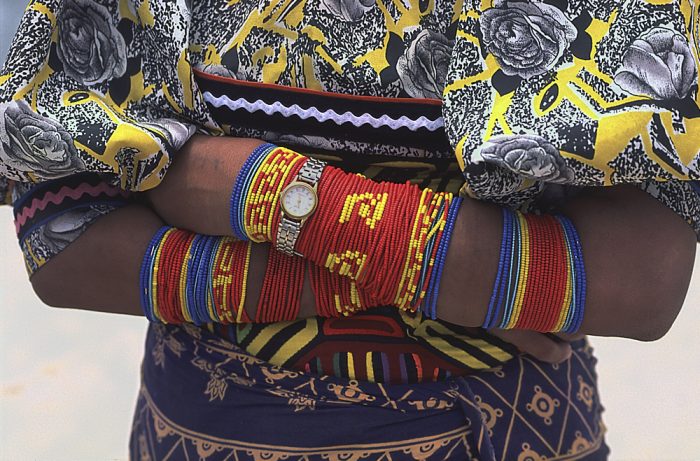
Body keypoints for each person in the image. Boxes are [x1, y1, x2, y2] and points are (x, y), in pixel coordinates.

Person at [1, 0, 698, 459]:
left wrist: (248, 187)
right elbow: (61, 233)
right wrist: (428, 271)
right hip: (209, 432)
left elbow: (637, 282)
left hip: (500, 432)